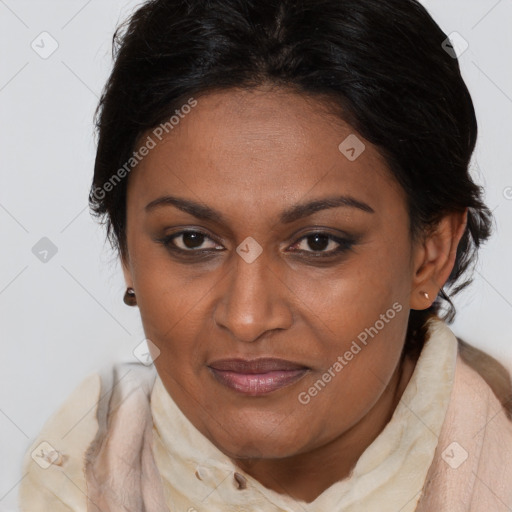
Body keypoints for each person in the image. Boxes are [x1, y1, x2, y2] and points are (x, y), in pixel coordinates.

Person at [18, 0, 512, 510]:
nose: (248, 318)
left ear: (430, 255)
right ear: (127, 253)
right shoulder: (73, 473)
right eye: (192, 240)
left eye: (318, 243)